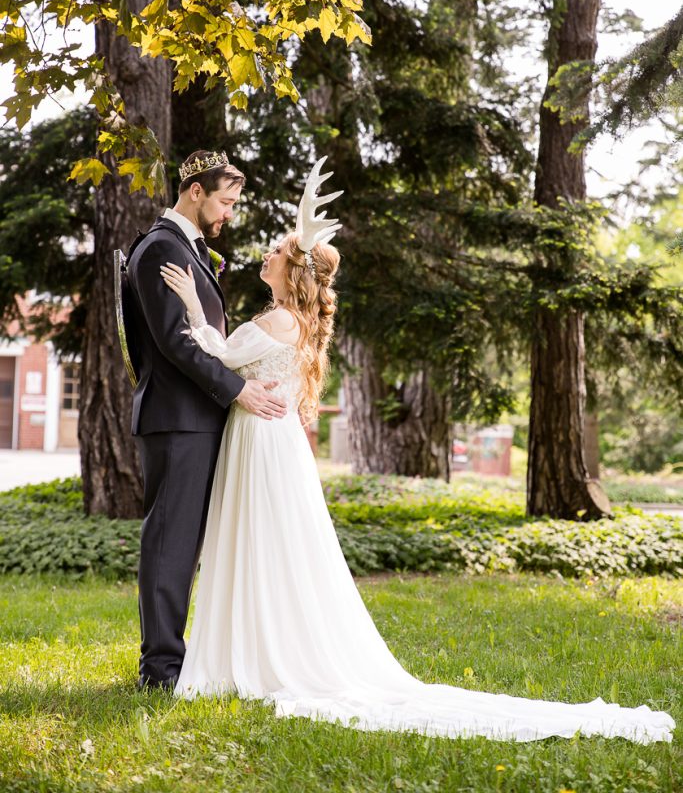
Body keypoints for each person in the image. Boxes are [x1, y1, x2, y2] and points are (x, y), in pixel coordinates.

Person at [158, 158, 674, 743]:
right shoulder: (293, 322)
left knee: (255, 538)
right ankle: (259, 645)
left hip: (260, 440)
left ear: (292, 269)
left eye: (277, 249)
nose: (268, 254)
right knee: (271, 543)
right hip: (275, 444)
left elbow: (219, 354)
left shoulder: (276, 322)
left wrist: (193, 305)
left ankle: (251, 652)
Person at [123, 149, 287, 692]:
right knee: (170, 543)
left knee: (186, 545)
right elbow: (175, 343)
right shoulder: (160, 249)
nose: (229, 213)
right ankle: (160, 669)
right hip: (178, 419)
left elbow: (203, 334)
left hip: (197, 417)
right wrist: (238, 390)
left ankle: (181, 660)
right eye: (226, 201)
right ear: (196, 192)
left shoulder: (188, 250)